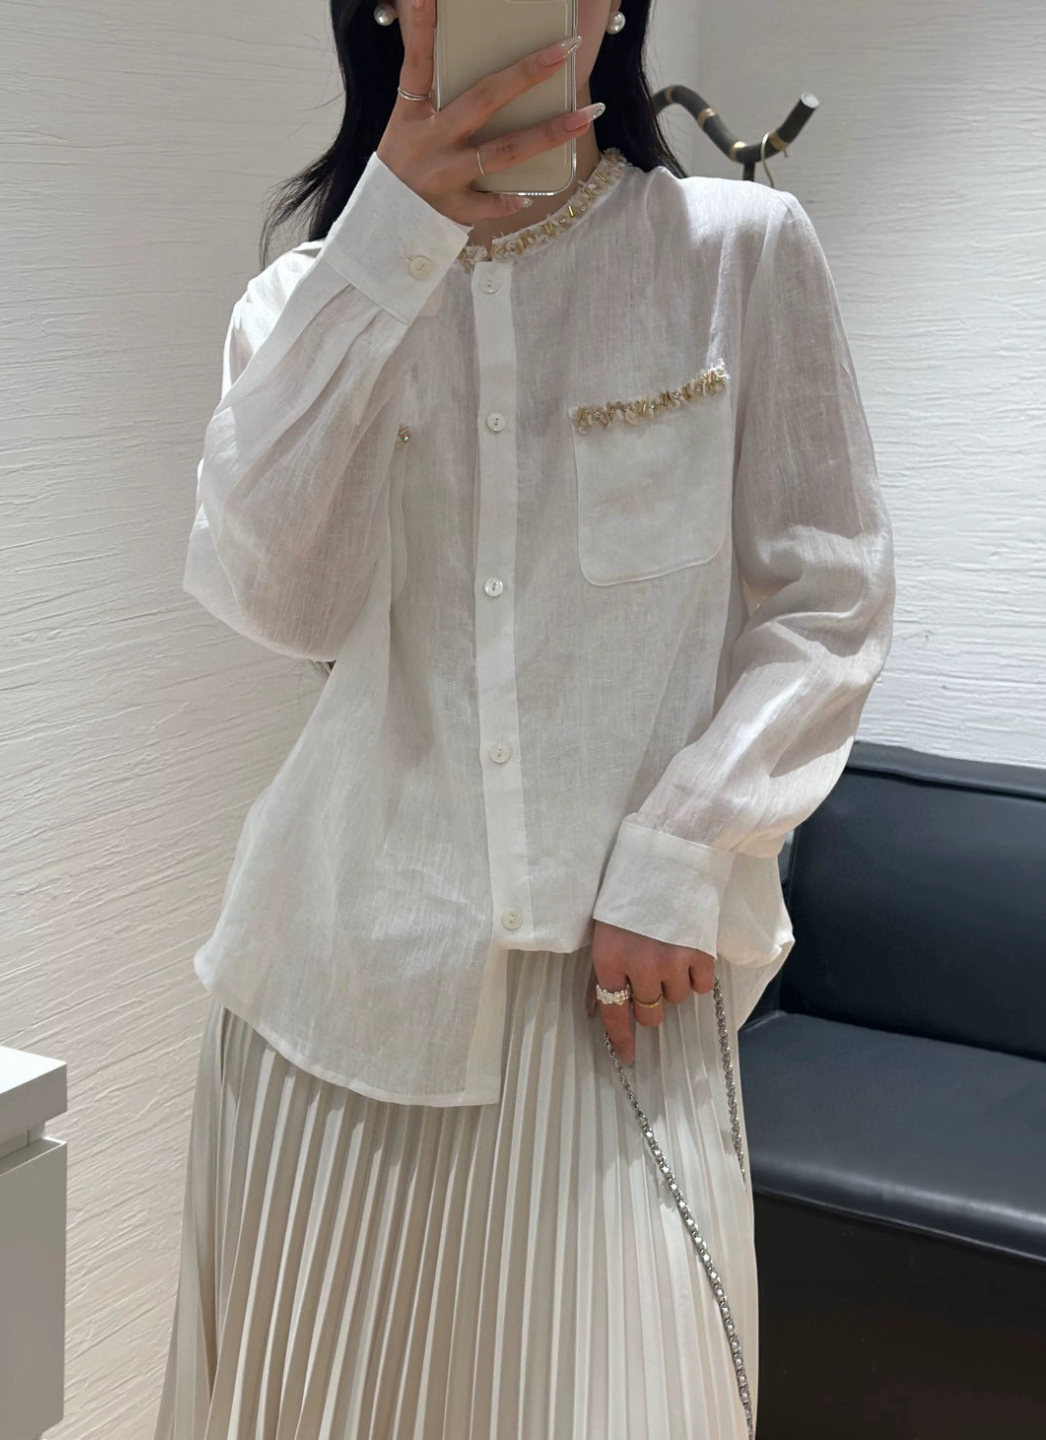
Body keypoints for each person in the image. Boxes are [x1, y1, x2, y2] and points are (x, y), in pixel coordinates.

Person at [152, 0, 896, 1436]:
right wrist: (387, 246)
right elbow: (287, 604)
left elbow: (829, 600)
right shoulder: (304, 299)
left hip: (620, 1007)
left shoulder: (734, 254)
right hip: (338, 1005)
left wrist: (689, 847)